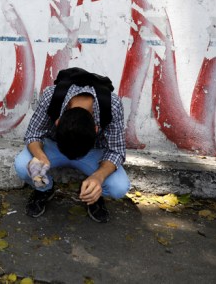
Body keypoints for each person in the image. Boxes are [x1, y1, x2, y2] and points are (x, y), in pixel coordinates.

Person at [14, 68, 130, 223]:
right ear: (58, 122)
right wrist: (40, 157)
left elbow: (116, 150)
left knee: (119, 187)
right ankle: (44, 190)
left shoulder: (112, 104)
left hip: (91, 151)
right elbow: (33, 133)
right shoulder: (52, 95)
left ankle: (92, 194)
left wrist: (98, 177)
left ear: (96, 129)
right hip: (56, 146)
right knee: (23, 166)